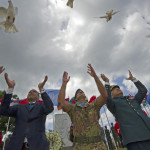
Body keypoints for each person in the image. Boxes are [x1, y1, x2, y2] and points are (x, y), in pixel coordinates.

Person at [58, 64, 108, 150]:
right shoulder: (72, 108)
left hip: (98, 146)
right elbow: (61, 102)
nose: (81, 91)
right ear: (76, 98)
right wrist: (64, 84)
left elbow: (104, 96)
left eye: (82, 91)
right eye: (78, 92)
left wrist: (95, 77)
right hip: (79, 147)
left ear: (86, 96)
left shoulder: (94, 105)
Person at [1, 73, 54, 150]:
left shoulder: (42, 106)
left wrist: (41, 89)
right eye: (29, 92)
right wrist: (10, 88)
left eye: (34, 91)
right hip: (16, 145)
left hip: (38, 145)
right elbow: (3, 110)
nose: (31, 92)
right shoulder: (19, 107)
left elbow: (50, 108)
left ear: (38, 97)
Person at [103, 70, 150, 150]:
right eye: (114, 89)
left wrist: (133, 79)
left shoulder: (132, 99)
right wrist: (107, 83)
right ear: (111, 94)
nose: (118, 89)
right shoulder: (113, 104)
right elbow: (107, 98)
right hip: (134, 139)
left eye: (119, 88)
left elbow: (143, 91)